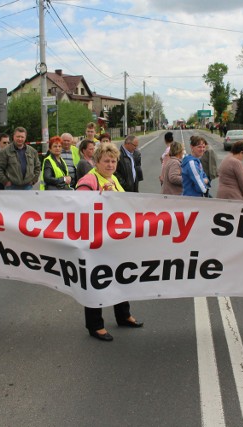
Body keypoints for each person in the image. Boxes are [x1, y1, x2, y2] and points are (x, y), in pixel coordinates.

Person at [75, 143, 143, 341]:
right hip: (95, 241)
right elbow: (77, 207)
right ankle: (95, 325)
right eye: (106, 161)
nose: (111, 164)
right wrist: (99, 196)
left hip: (115, 239)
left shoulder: (112, 178)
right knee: (97, 281)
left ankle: (123, 315)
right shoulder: (89, 180)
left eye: (114, 161)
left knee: (121, 276)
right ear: (97, 162)